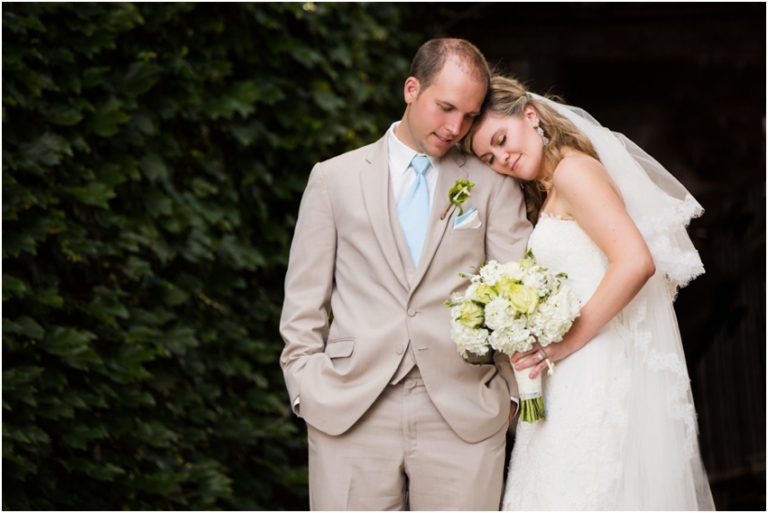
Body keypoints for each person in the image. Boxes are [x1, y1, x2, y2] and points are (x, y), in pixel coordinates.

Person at [279, 40, 532, 510]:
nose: (456, 127)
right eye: (446, 107)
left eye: (470, 116)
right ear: (411, 89)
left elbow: (519, 291)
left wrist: (509, 398)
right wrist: (308, 391)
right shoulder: (334, 178)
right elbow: (303, 305)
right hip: (349, 408)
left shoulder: (493, 183)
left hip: (464, 413)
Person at [463, 75, 716, 510]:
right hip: (569, 376)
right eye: (489, 157)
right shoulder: (550, 186)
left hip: (592, 366)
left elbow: (636, 261)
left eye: (502, 140)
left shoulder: (575, 171)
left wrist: (565, 342)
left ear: (529, 115)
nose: (502, 158)